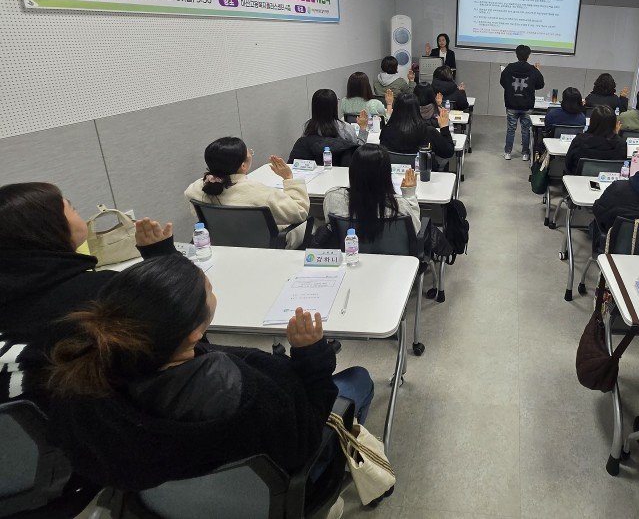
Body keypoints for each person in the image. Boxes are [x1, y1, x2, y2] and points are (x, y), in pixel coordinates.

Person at [45, 254, 373, 494]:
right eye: (209, 290)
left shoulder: (88, 379)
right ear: (193, 333)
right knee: (358, 380)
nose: (213, 294)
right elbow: (304, 440)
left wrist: (161, 255)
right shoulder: (245, 393)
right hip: (267, 490)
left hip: (168, 493)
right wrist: (311, 356)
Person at [0, 183, 175, 404]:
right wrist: (162, 255)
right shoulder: (105, 291)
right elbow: (185, 314)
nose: (76, 211)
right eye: (70, 207)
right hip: (104, 417)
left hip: (24, 424)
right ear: (50, 228)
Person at [184, 138, 309, 247]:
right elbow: (299, 212)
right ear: (243, 165)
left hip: (223, 243)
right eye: (249, 153)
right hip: (265, 246)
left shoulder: (198, 189)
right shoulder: (260, 193)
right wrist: (288, 178)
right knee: (311, 224)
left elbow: (191, 191)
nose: (250, 153)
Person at [322, 144, 420, 240]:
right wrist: (409, 195)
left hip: (350, 249)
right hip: (392, 251)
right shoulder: (398, 206)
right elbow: (414, 231)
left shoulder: (332, 198)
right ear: (386, 174)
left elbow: (332, 228)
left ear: (352, 170)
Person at [289, 89, 368, 166]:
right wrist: (363, 128)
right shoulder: (346, 128)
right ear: (335, 106)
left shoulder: (308, 126)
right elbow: (358, 151)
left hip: (314, 171)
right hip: (342, 170)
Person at [378, 91, 455, 161]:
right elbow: (448, 152)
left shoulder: (386, 131)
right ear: (417, 109)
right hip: (422, 171)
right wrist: (444, 127)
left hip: (393, 171)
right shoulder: (428, 131)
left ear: (395, 109)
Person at [499, 44, 544, 161]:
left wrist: (510, 90)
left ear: (516, 55)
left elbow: (503, 82)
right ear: (528, 56)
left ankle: (508, 153)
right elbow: (540, 84)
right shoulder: (533, 69)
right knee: (526, 130)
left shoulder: (509, 68)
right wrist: (538, 71)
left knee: (511, 129)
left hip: (511, 103)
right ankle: (525, 154)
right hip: (527, 104)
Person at [564, 105, 627, 176]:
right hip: (610, 181)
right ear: (614, 124)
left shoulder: (579, 140)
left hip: (579, 180)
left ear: (592, 122)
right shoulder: (621, 144)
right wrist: (615, 134)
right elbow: (621, 167)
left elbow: (568, 164)